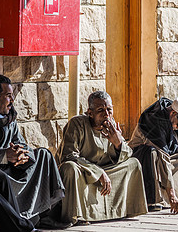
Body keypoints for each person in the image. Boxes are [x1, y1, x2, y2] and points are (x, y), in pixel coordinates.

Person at [56, 91, 148, 225]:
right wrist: (98, 172)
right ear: (90, 113)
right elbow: (69, 155)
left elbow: (128, 155)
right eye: (101, 110)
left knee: (133, 164)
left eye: (109, 109)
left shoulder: (110, 127)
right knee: (69, 168)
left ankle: (126, 210)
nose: (106, 114)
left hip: (105, 171)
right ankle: (76, 215)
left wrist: (118, 143)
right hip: (83, 173)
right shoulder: (77, 124)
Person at [0, 74, 66, 229]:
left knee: (43, 155)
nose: (12, 101)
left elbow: (21, 143)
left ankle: (46, 214)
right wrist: (5, 155)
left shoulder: (10, 117)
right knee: (0, 179)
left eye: (12, 96)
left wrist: (22, 154)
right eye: (8, 96)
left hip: (14, 167)